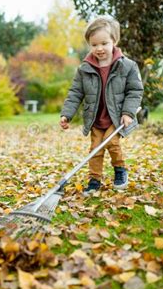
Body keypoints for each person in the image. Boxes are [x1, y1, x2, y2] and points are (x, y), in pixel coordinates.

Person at [59, 15, 143, 196]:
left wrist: (128, 112)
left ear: (114, 41)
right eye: (94, 44)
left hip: (116, 116)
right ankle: (94, 180)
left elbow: (135, 91)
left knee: (112, 143)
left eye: (104, 43)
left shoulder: (127, 66)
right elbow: (75, 93)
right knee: (95, 150)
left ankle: (120, 171)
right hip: (96, 118)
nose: (99, 48)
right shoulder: (85, 69)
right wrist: (67, 114)